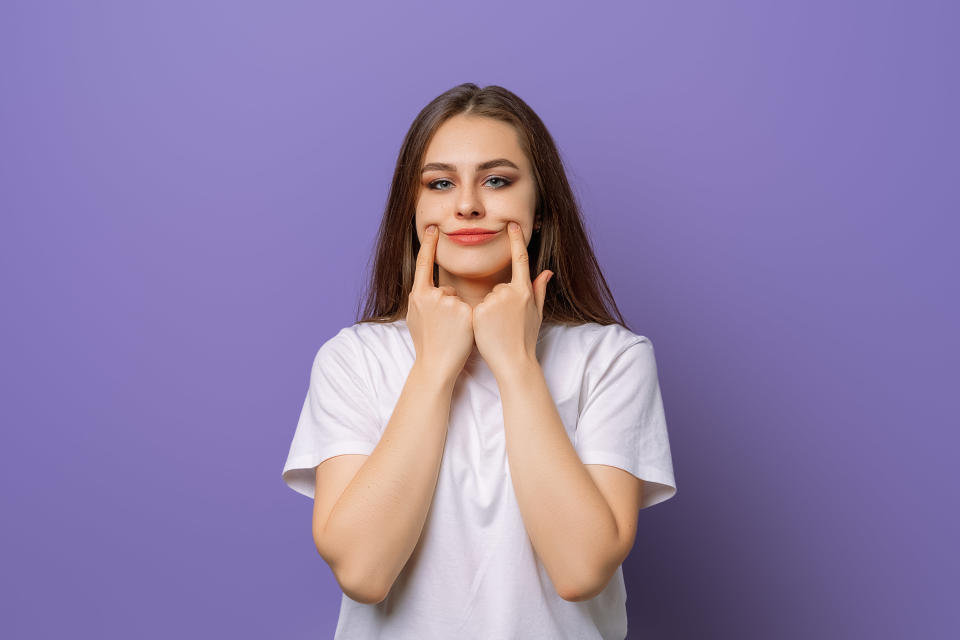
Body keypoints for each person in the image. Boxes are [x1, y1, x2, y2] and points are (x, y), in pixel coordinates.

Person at [281, 83, 677, 639]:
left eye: (497, 180)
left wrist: (515, 363)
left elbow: (582, 568)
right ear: (413, 211)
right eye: (440, 183)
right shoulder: (353, 360)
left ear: (539, 209)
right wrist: (433, 369)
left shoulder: (612, 359)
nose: (467, 204)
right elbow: (364, 573)